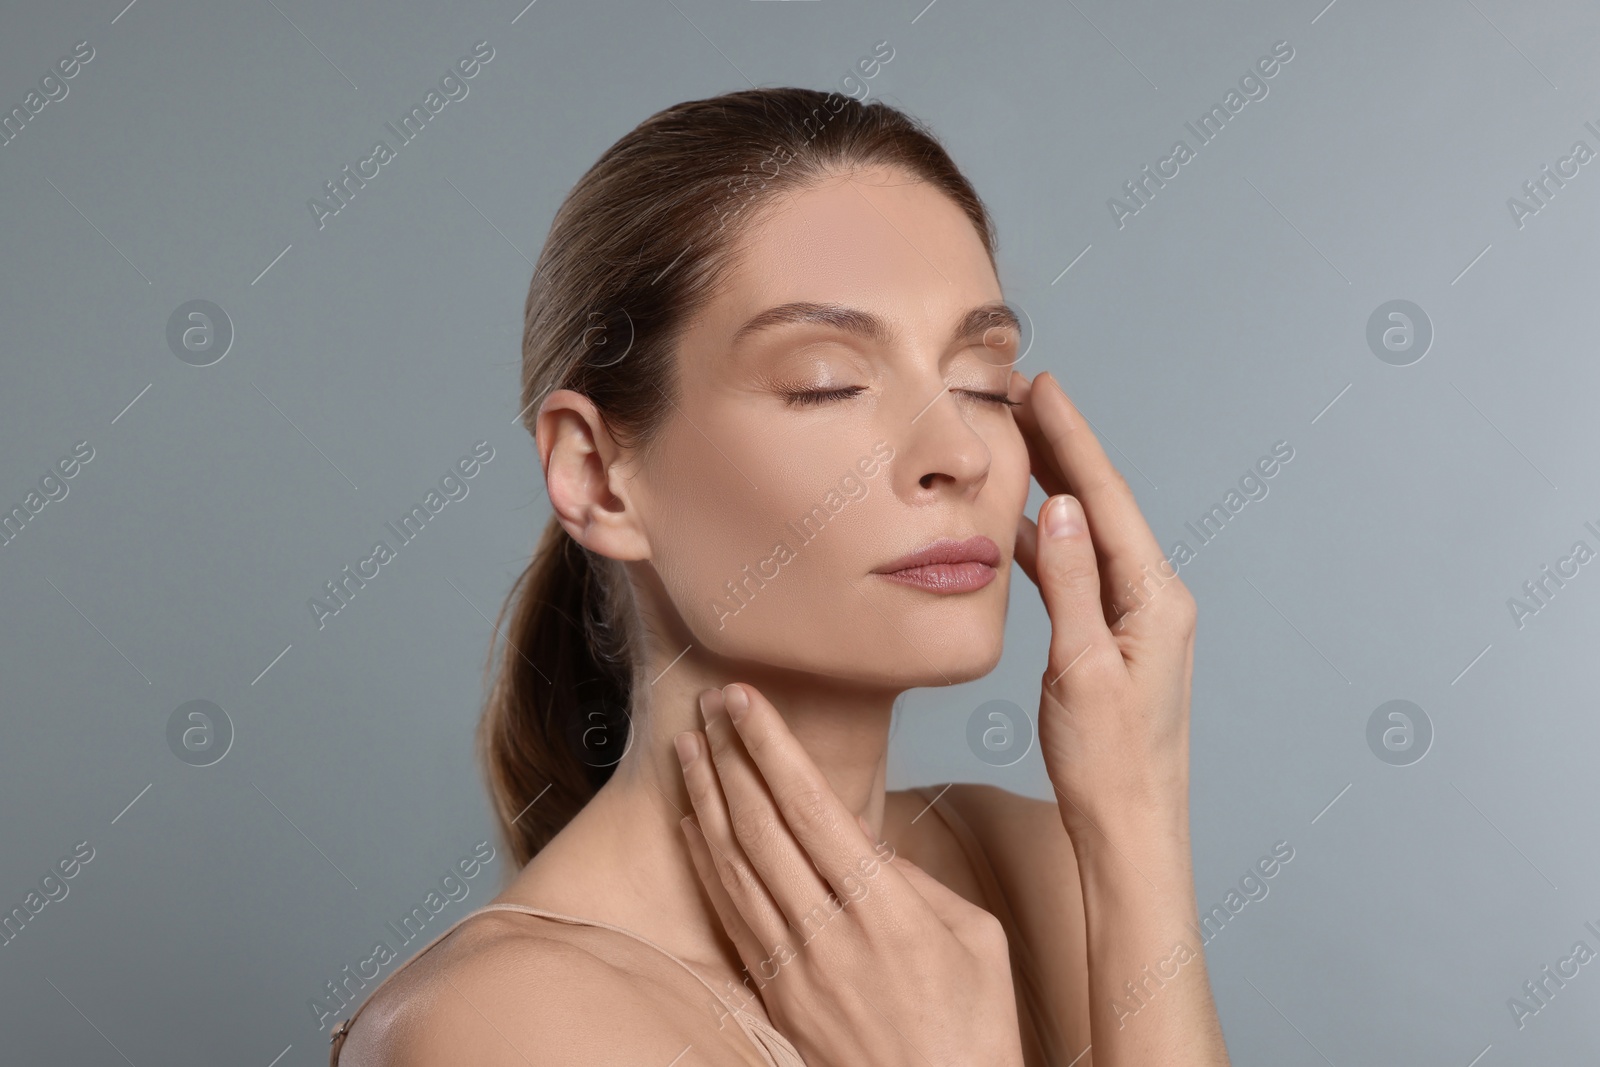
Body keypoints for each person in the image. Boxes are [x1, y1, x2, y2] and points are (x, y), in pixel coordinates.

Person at [331, 86, 1229, 1066]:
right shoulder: (502, 1024)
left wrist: (1137, 823)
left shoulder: (1044, 864)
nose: (961, 455)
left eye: (977, 380)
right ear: (597, 476)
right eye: (825, 382)